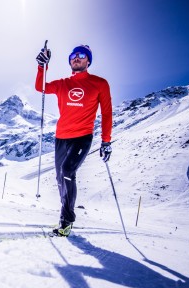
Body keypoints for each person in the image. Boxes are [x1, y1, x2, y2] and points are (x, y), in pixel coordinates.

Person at [35, 44, 113, 237]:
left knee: (68, 171)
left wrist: (106, 141)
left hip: (82, 137)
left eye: (81, 55)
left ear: (88, 61)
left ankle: (67, 221)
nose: (76, 58)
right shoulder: (62, 84)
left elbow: (107, 113)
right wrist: (41, 66)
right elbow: (41, 87)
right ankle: (64, 214)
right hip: (61, 137)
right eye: (73, 55)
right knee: (60, 178)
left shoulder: (99, 83)